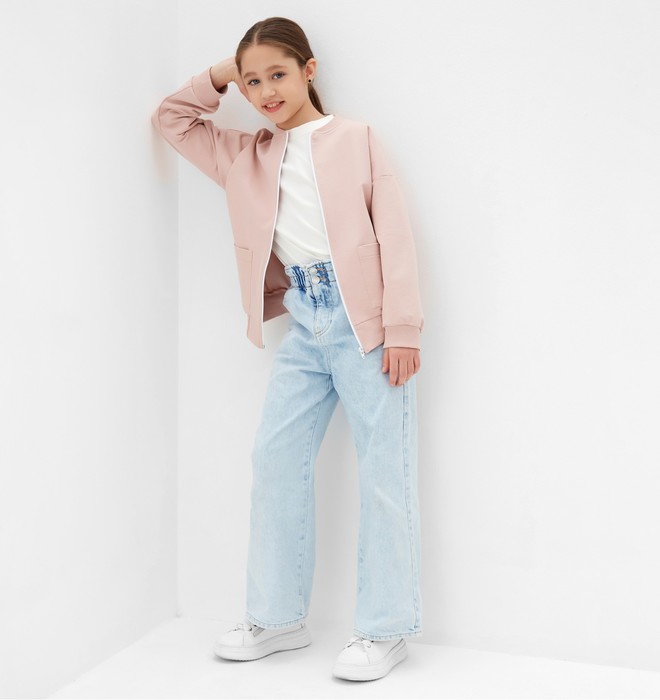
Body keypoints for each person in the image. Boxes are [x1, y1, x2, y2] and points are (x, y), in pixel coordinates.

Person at [151, 16, 424, 682]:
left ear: (308, 70)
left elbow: (394, 232)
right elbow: (172, 119)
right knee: (275, 461)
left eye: (277, 74)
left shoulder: (356, 138)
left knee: (383, 474)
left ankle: (385, 629)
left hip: (366, 327)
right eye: (252, 82)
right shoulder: (245, 155)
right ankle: (276, 619)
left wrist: (402, 328)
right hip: (305, 324)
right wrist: (224, 71)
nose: (265, 91)